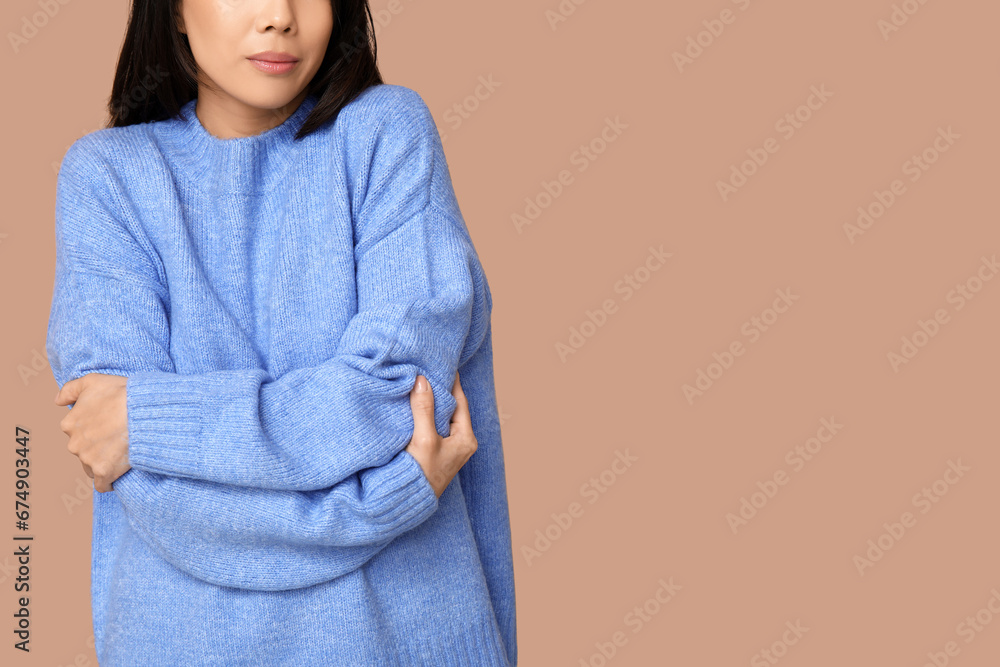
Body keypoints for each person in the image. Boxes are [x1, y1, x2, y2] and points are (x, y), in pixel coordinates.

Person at [45, 0, 517, 664]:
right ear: (175, 10)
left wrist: (154, 421)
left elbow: (394, 402)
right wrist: (389, 496)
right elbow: (153, 492)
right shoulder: (109, 179)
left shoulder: (386, 131)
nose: (280, 16)